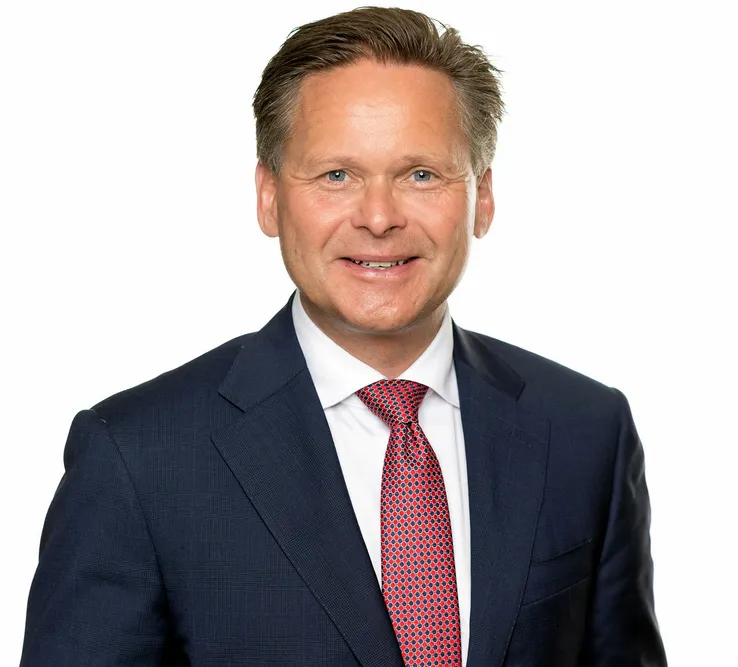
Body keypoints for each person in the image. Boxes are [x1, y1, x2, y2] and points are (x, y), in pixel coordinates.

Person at [20, 7, 667, 666]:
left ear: (483, 196)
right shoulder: (138, 457)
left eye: (421, 174)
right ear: (269, 197)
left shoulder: (587, 432)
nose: (379, 217)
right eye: (337, 175)